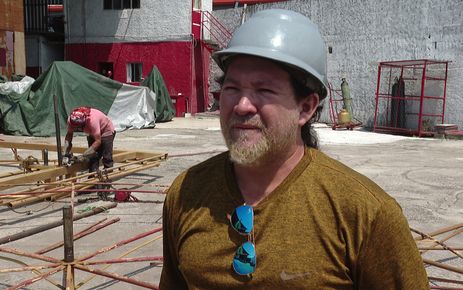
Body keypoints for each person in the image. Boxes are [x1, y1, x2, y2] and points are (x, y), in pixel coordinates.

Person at [160, 9, 428, 289]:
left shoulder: (364, 213)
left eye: (264, 90)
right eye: (232, 88)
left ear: (306, 108)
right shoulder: (187, 193)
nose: (241, 106)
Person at [64, 106, 116, 173]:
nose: (77, 129)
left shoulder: (92, 121)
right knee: (93, 157)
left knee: (106, 156)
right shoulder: (71, 120)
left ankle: (107, 178)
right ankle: (93, 175)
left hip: (106, 130)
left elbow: (98, 141)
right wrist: (65, 152)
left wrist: (84, 155)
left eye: (78, 127)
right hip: (92, 132)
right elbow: (69, 134)